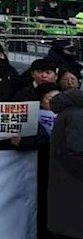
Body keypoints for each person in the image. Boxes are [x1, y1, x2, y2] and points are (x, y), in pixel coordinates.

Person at [48, 89, 83, 238]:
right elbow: (76, 152)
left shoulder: (68, 113)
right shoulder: (78, 114)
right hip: (76, 187)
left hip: (65, 184)